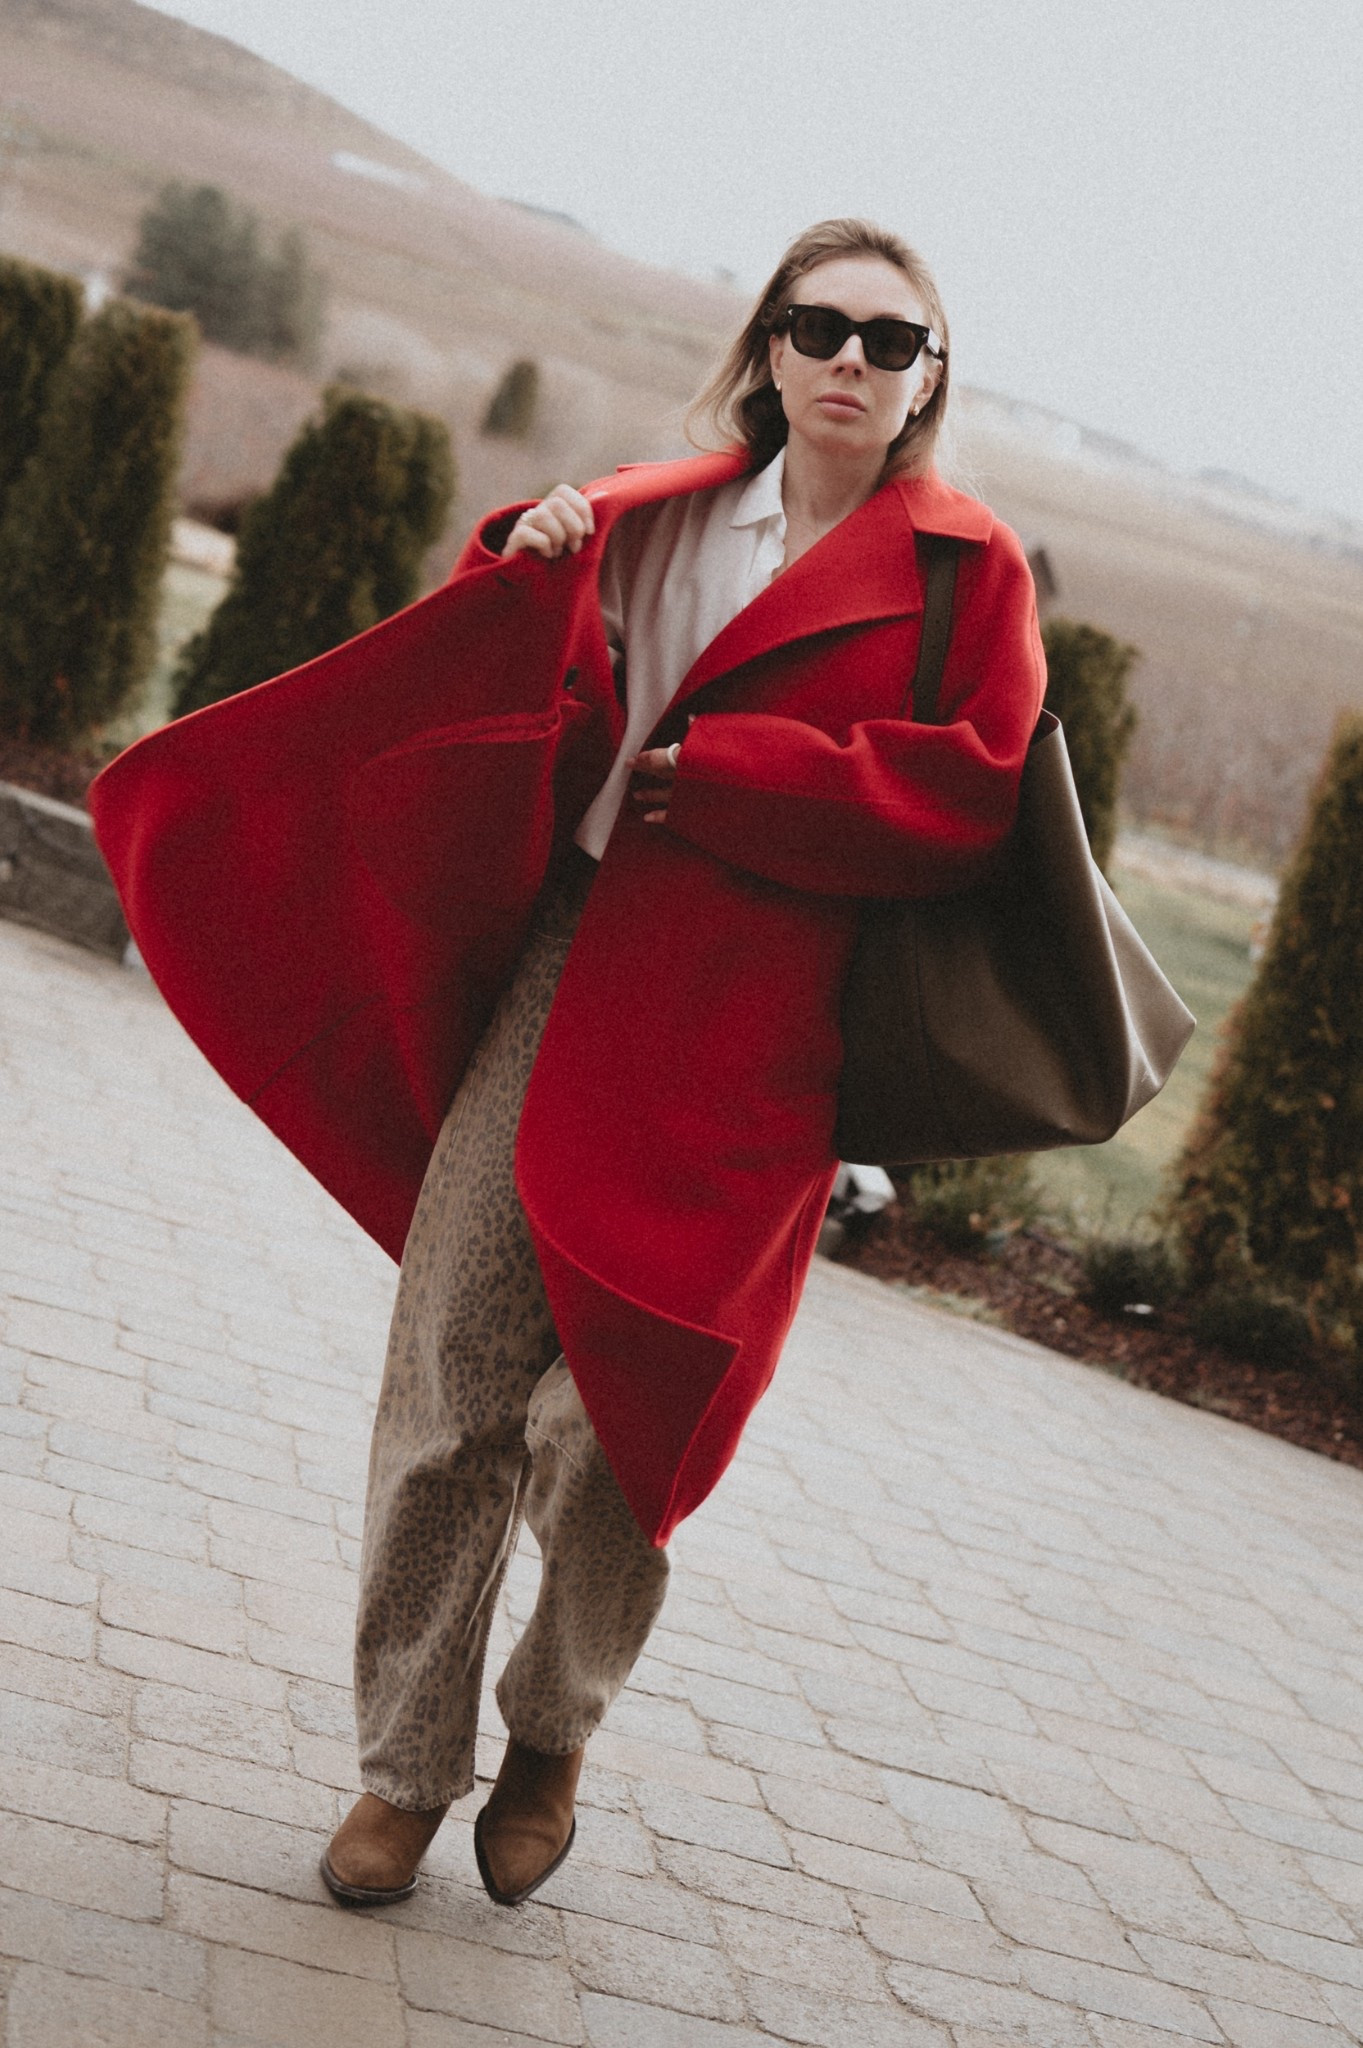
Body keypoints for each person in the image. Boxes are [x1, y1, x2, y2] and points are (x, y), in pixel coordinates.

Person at [90, 217, 1045, 1913]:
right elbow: (512, 684)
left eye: (889, 342)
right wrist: (521, 559)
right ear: (764, 350)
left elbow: (972, 792)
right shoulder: (648, 514)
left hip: (756, 1023)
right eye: (815, 326)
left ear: (927, 383)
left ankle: (552, 1727)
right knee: (455, 1375)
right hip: (562, 959)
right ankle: (400, 1769)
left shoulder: (974, 575)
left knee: (622, 1420)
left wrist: (743, 774)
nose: (849, 360)